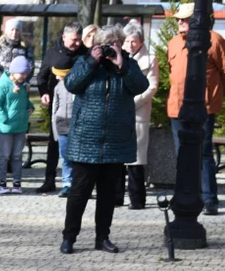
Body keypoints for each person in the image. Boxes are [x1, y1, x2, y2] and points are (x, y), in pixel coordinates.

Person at [60, 25, 150, 254]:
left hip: (115, 139)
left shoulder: (128, 64)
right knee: (79, 193)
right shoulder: (85, 61)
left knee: (108, 194)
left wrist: (122, 65)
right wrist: (92, 62)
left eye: (116, 43)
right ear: (97, 44)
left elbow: (141, 86)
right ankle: (69, 237)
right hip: (85, 139)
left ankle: (103, 237)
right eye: (106, 44)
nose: (112, 48)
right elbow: (71, 84)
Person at [166, 3, 225, 216]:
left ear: (197, 20)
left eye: (185, 19)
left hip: (203, 108)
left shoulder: (214, 40)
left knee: (203, 153)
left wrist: (214, 95)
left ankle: (209, 199)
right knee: (181, 154)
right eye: (179, 19)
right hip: (177, 108)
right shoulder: (173, 43)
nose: (180, 22)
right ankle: (184, 195)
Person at [34, 22, 85, 193]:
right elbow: (41, 77)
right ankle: (50, 180)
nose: (77, 43)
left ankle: (75, 182)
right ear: (64, 37)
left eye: (79, 40)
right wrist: (44, 93)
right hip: (57, 106)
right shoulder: (52, 54)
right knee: (55, 143)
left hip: (80, 107)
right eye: (74, 40)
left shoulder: (84, 54)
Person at [123, 23, 159, 209]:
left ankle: (137, 200)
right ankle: (115, 197)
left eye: (134, 41)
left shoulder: (150, 59)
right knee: (117, 159)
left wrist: (132, 102)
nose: (130, 45)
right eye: (127, 41)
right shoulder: (118, 57)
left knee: (137, 160)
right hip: (119, 113)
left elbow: (152, 87)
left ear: (141, 42)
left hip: (138, 112)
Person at [0, 56, 34, 194]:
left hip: (20, 126)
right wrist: (4, 118)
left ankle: (16, 183)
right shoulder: (3, 84)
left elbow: (25, 100)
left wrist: (30, 106)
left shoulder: (24, 86)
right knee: (4, 155)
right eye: (22, 73)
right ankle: (1, 182)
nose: (24, 76)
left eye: (26, 73)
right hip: (5, 128)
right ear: (13, 72)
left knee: (17, 155)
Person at [50, 65, 75, 197]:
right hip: (61, 124)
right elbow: (55, 107)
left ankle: (77, 183)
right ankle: (67, 183)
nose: (55, 76)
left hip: (74, 124)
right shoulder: (58, 86)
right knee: (64, 156)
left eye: (57, 73)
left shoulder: (75, 85)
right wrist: (55, 129)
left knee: (75, 156)